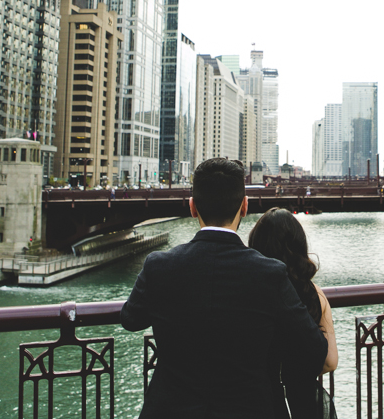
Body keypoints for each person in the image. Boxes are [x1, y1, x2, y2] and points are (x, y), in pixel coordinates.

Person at [120, 158, 328, 419]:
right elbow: (314, 349)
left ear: (193, 207)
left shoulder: (159, 265)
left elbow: (130, 318)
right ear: (244, 206)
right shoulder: (269, 274)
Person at [248, 208, 339, 419]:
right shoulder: (314, 294)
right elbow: (330, 361)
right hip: (303, 402)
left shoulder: (249, 289)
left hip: (258, 401)